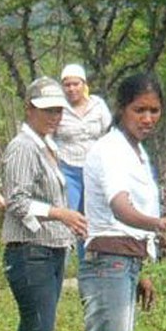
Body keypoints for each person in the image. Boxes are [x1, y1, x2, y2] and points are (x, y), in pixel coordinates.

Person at [80, 71, 166, 331]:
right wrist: (156, 225)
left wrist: (144, 268)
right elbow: (120, 207)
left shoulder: (139, 152)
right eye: (139, 110)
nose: (147, 118)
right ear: (122, 109)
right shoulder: (110, 149)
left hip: (128, 260)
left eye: (154, 111)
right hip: (109, 260)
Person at [0, 77, 84, 331]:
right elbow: (16, 201)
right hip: (30, 250)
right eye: (47, 110)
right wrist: (60, 213)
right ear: (28, 109)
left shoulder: (47, 145)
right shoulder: (23, 147)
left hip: (52, 249)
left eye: (58, 110)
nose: (54, 117)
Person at [53, 62, 113, 217]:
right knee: (70, 211)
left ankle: (91, 241)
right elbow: (48, 137)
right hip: (67, 167)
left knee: (94, 211)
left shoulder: (98, 105)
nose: (72, 89)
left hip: (95, 167)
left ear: (84, 84)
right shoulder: (58, 108)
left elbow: (109, 133)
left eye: (75, 84)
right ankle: (71, 241)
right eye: (67, 85)